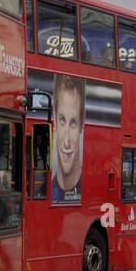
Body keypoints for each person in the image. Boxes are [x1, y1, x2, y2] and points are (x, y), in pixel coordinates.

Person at [51, 74, 85, 204]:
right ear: (54, 116)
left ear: (81, 124)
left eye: (73, 123)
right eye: (62, 120)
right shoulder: (43, 190)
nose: (66, 141)